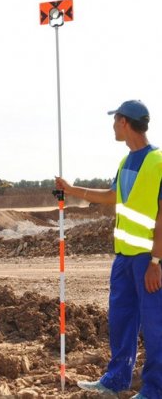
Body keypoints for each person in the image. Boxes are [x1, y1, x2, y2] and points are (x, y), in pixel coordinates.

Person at [55, 100, 162, 399]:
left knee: (155, 327)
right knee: (120, 321)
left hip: (148, 259)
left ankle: (155, 391)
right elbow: (114, 196)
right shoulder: (126, 161)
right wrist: (71, 189)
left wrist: (156, 260)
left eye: (115, 120)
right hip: (124, 258)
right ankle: (115, 381)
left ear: (125, 122)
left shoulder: (158, 161)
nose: (113, 126)